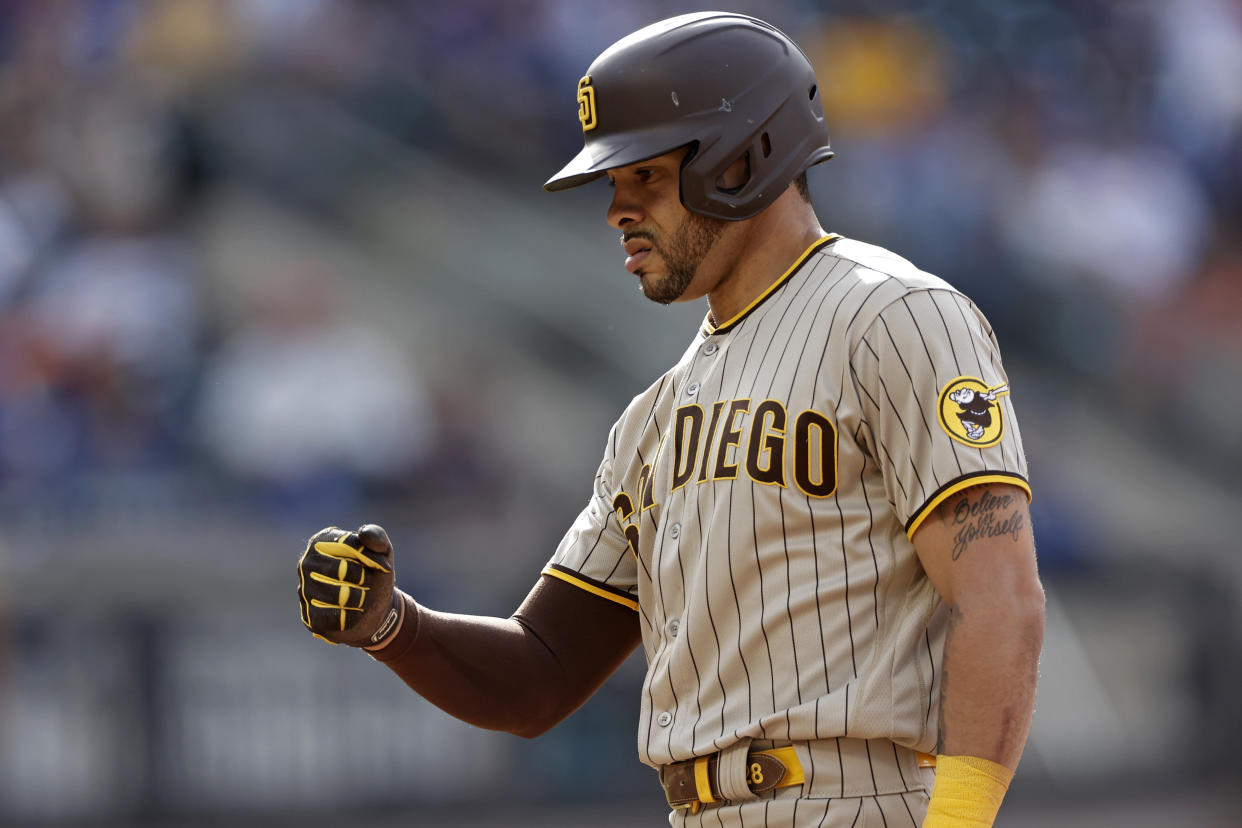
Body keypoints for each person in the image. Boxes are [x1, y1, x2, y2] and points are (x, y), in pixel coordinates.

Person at [296, 12, 1045, 827]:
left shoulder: (894, 316)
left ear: (743, 159)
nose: (617, 209)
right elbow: (539, 675)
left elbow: (999, 593)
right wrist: (392, 627)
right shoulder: (652, 418)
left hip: (852, 799)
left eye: (642, 176)